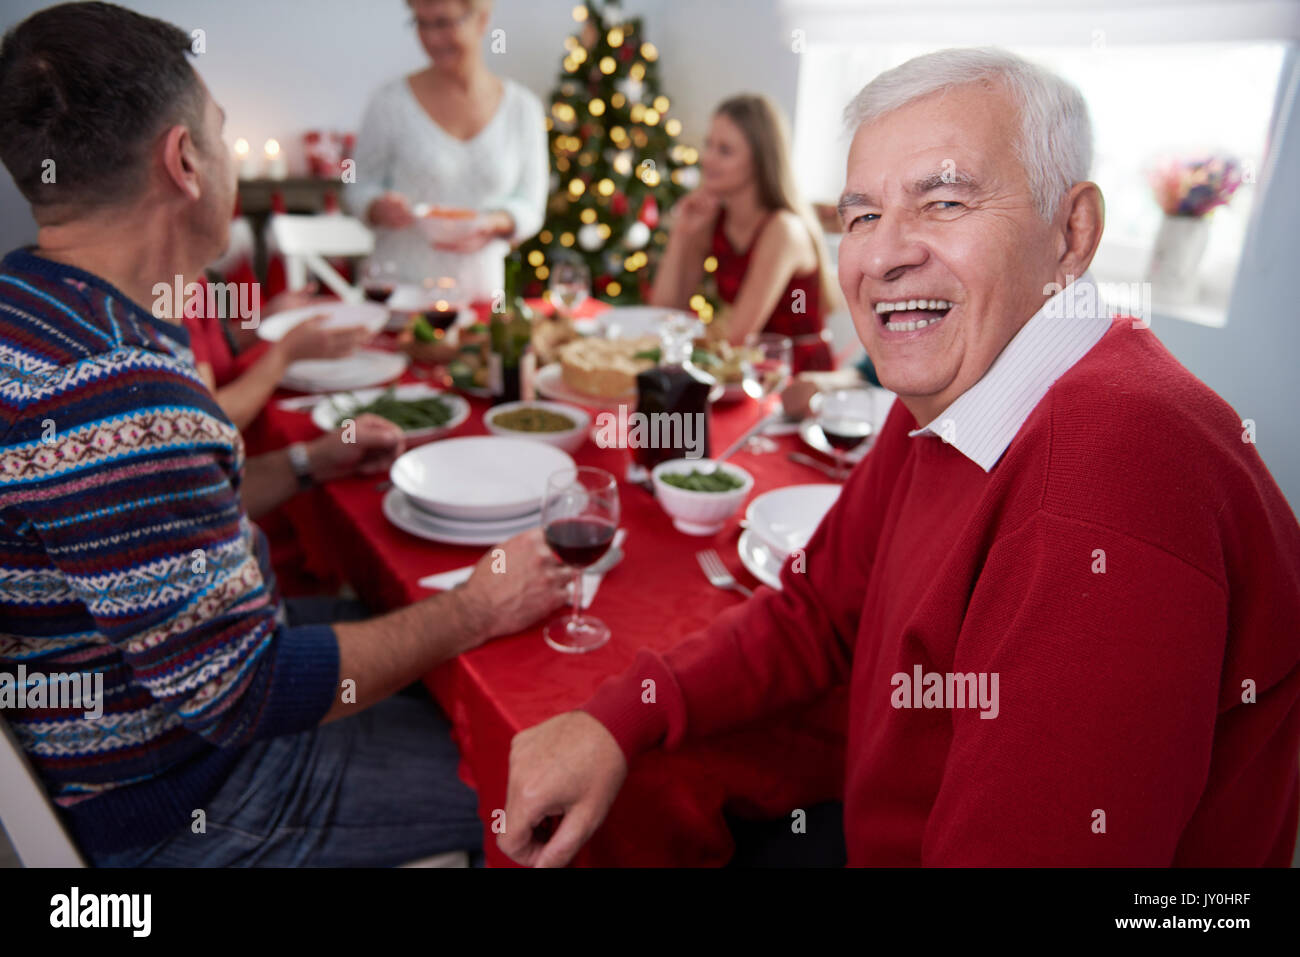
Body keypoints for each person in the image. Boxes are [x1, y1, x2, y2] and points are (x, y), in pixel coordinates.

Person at [499, 48, 1300, 867]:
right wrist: (619, 714)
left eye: (945, 200)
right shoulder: (960, 386)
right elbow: (815, 612)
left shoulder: (1110, 488)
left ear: (1073, 233)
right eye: (861, 216)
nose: (882, 255)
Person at [0, 1, 569, 867]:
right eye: (221, 135)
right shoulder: (119, 391)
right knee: (542, 776)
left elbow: (163, 528)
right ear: (184, 161)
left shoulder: (38, 308)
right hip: (187, 795)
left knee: (412, 626)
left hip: (131, 725)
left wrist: (308, 461)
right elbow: (251, 689)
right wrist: (476, 605)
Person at [347, 0, 548, 301]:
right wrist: (377, 207)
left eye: (442, 23)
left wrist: (495, 223)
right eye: (421, 23)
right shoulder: (389, 103)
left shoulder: (523, 109)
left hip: (480, 294)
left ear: (482, 20)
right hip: (398, 294)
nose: (431, 38)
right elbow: (356, 187)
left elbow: (531, 206)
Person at [651, 94, 837, 374]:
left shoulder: (783, 230)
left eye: (725, 150)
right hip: (745, 368)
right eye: (709, 145)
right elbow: (663, 313)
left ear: (760, 161)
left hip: (794, 375)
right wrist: (681, 233)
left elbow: (738, 337)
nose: (707, 159)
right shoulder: (715, 221)